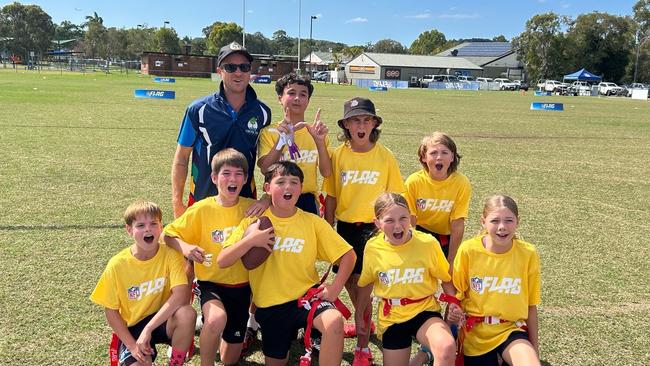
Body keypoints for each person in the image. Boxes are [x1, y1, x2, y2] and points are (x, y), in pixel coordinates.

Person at [217, 161, 356, 366]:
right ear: (267, 188)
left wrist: (335, 288)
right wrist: (251, 241)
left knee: (334, 321)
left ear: (301, 188)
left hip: (305, 297)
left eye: (294, 182)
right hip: (271, 306)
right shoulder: (255, 222)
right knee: (276, 361)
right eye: (280, 182)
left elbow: (348, 256)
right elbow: (222, 260)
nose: (288, 187)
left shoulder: (312, 222)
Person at [323, 97, 405, 365]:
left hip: (373, 229)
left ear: (374, 124)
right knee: (350, 283)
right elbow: (332, 195)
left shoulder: (385, 156)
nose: (361, 125)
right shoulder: (338, 155)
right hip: (344, 227)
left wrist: (398, 228)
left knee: (364, 287)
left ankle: (362, 347)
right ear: (346, 125)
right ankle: (364, 323)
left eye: (366, 120)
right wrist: (328, 226)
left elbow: (395, 197)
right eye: (355, 120)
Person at [163, 148, 256, 366]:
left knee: (229, 359)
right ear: (214, 178)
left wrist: (266, 200)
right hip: (211, 283)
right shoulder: (201, 209)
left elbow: (278, 203)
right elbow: (168, 234)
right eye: (226, 173)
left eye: (238, 174)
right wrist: (185, 247)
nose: (232, 179)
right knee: (215, 320)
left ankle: (224, 339)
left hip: (243, 288)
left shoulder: (252, 208)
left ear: (245, 179)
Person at [357, 193, 461, 366]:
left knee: (446, 347)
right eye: (389, 220)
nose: (398, 226)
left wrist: (454, 303)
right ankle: (424, 355)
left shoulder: (428, 243)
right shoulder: (373, 248)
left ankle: (427, 353)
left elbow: (445, 278)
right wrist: (359, 314)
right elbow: (366, 283)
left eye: (403, 218)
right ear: (377, 223)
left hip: (424, 310)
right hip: (392, 317)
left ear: (411, 218)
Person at [171, 41, 272, 218]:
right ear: (220, 72)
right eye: (230, 67)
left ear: (250, 72)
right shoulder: (198, 110)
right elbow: (181, 158)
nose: (238, 72)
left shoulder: (262, 113)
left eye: (244, 67)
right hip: (203, 199)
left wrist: (267, 196)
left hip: (245, 201)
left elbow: (268, 162)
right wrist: (177, 201)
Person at [90, 200, 196, 366]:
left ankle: (175, 363)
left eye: (153, 223)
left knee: (187, 314)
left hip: (162, 320)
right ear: (129, 230)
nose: (148, 229)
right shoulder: (117, 264)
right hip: (132, 329)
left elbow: (181, 294)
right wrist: (133, 346)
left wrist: (149, 329)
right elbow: (111, 311)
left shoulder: (171, 254)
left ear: (161, 226)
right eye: (140, 225)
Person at [453, 195, 541, 366]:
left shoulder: (528, 253)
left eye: (509, 220)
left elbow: (531, 305)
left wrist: (534, 350)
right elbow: (457, 298)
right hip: (476, 335)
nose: (502, 227)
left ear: (518, 222)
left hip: (511, 329)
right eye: (495, 221)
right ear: (483, 222)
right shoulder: (468, 250)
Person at [257, 72, 331, 214]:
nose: (297, 98)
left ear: (308, 100)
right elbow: (265, 168)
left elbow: (326, 172)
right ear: (280, 98)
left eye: (303, 94)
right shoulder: (270, 132)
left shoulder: (316, 133)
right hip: (277, 197)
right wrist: (281, 140)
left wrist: (319, 142)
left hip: (307, 199)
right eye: (291, 93)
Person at [404, 131, 472, 266]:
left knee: (449, 281)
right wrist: (410, 250)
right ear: (423, 157)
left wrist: (452, 260)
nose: (439, 157)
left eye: (445, 152)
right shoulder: (414, 182)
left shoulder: (461, 183)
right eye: (433, 153)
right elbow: (410, 219)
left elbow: (457, 224)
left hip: (445, 237)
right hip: (420, 234)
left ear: (452, 157)